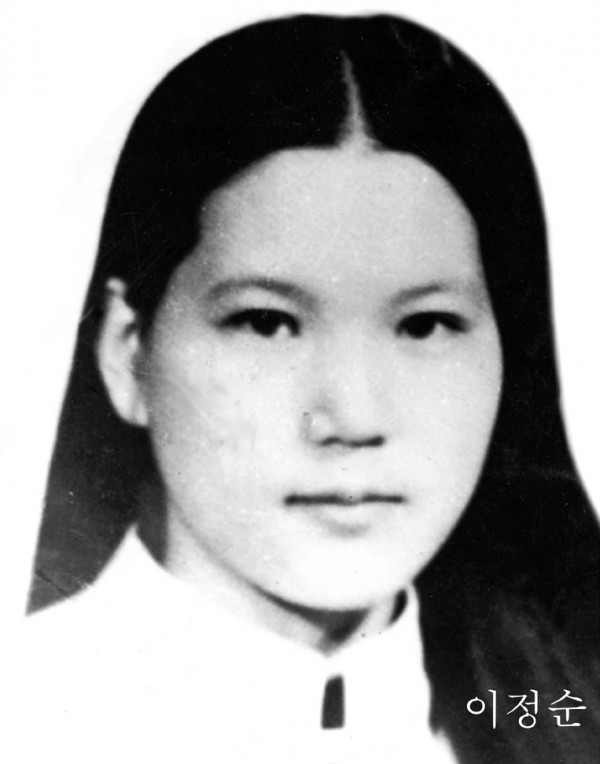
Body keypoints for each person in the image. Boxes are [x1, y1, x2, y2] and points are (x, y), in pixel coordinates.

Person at [7, 13, 598, 764]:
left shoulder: (562, 714)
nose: (352, 417)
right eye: (266, 323)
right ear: (127, 352)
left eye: (425, 325)